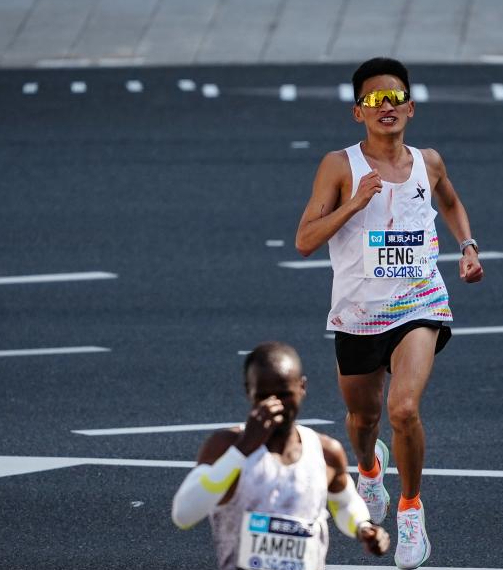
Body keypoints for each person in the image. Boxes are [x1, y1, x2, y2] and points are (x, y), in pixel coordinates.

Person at [294, 57, 484, 569]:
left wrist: (467, 246)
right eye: (375, 99)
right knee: (364, 418)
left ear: (411, 107)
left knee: (402, 410)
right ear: (358, 112)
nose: (387, 106)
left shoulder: (429, 162)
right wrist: (354, 204)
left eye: (395, 97)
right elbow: (305, 240)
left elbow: (450, 203)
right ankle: (369, 468)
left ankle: (411, 510)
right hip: (358, 312)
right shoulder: (339, 166)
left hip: (420, 301)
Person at [171, 341, 390, 570]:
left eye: (284, 394)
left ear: (302, 387)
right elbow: (183, 515)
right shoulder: (225, 446)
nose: (274, 405)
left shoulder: (325, 452)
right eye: (263, 396)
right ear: (249, 391)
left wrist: (363, 527)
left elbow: (344, 503)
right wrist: (242, 449)